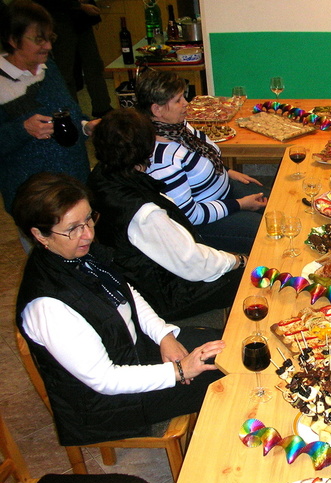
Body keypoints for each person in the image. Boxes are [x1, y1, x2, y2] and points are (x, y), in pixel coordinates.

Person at [14, 171, 225, 446]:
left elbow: (128, 295)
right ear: (39, 235)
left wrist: (164, 336)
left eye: (89, 219)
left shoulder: (76, 254)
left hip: (137, 351)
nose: (88, 233)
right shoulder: (48, 306)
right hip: (110, 404)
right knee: (224, 379)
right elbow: (105, 379)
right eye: (73, 228)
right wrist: (179, 371)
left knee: (230, 347)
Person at [88, 108, 245, 322]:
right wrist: (238, 260)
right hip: (164, 295)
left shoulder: (101, 174)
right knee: (256, 274)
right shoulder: (144, 213)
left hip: (134, 274)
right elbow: (193, 263)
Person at [135, 69, 268, 254]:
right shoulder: (163, 160)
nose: (186, 103)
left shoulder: (178, 127)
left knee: (279, 204)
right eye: (178, 100)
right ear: (157, 109)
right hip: (204, 223)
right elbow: (190, 215)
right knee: (270, 231)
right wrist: (240, 204)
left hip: (224, 192)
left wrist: (227, 171)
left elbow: (202, 156)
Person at [0, 0, 100, 220]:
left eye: (50, 38)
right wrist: (22, 130)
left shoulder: (50, 69)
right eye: (39, 39)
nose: (48, 46)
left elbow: (70, 114)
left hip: (75, 189)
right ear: (13, 39)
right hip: (37, 203)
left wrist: (85, 127)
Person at [33, 0, 113, 118]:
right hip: (61, 20)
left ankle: (103, 108)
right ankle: (72, 114)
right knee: (66, 73)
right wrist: (79, 6)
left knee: (94, 65)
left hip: (82, 20)